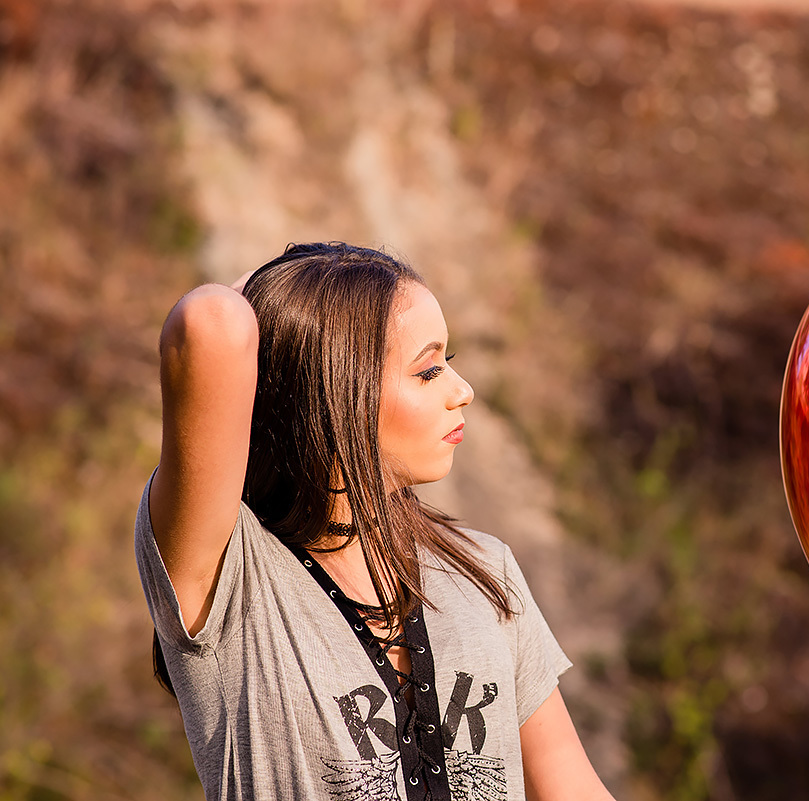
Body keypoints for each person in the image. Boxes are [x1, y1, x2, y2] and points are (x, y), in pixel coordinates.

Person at [134, 242, 616, 801]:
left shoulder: (485, 572)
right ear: (337, 389)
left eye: (449, 364)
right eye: (430, 371)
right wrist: (304, 302)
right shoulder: (229, 578)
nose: (463, 392)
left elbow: (572, 785)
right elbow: (211, 322)